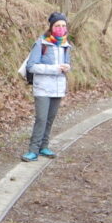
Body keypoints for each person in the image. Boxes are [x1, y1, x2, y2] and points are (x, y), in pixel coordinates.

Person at [21, 12, 71, 162]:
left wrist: (67, 67)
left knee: (50, 119)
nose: (60, 28)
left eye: (63, 25)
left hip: (58, 88)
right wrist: (55, 68)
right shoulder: (41, 43)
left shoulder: (66, 45)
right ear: (51, 27)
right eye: (57, 25)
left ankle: (44, 147)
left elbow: (67, 64)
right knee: (41, 119)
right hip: (42, 87)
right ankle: (33, 150)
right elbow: (31, 66)